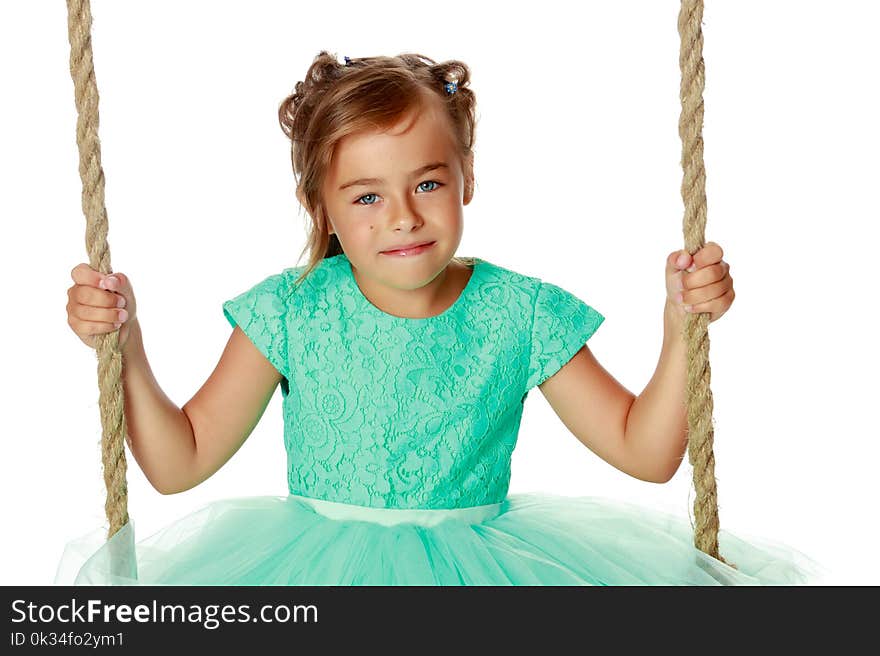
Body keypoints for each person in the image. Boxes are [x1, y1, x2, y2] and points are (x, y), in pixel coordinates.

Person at [57, 51, 828, 585]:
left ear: (465, 177)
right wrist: (124, 345)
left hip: (486, 574)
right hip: (312, 575)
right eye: (365, 195)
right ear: (319, 206)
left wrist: (677, 324)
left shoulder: (519, 311)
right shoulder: (292, 310)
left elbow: (647, 451)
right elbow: (179, 460)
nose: (401, 217)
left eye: (427, 183)